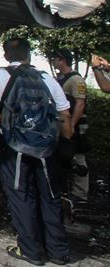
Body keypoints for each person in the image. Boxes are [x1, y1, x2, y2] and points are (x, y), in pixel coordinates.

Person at [0, 37, 74, 266]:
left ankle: (32, 252)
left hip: (15, 147)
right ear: (29, 55)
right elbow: (64, 113)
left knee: (21, 196)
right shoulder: (47, 78)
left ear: (7, 56)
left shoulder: (1, 76)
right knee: (51, 197)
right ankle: (58, 252)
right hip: (46, 148)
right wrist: (66, 142)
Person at [50, 48, 87, 203]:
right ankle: (62, 188)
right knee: (63, 154)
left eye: (55, 58)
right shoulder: (61, 78)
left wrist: (71, 125)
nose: (53, 61)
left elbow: (80, 104)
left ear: (62, 60)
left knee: (78, 156)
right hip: (62, 123)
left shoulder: (75, 79)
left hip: (75, 125)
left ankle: (80, 193)